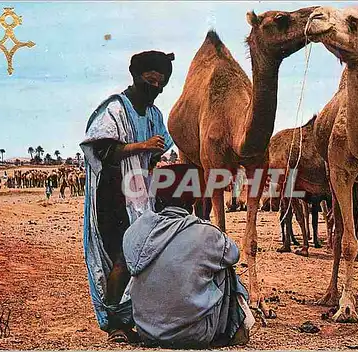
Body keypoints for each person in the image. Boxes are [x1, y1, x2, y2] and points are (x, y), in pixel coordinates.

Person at [79, 50, 174, 342]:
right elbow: (103, 151)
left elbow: (157, 156)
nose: (155, 90)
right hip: (112, 194)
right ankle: (113, 323)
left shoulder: (155, 114)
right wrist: (142, 146)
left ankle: (135, 317)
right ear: (135, 77)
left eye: (161, 85)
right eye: (150, 83)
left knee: (141, 255)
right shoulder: (114, 110)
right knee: (121, 256)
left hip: (141, 194)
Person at [122, 163, 255, 348]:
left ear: (158, 197)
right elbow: (234, 254)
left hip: (147, 332)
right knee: (225, 268)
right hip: (197, 334)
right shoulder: (207, 233)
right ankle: (232, 330)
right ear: (191, 200)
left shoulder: (135, 230)